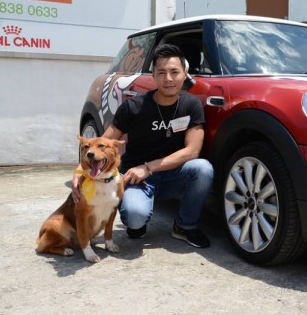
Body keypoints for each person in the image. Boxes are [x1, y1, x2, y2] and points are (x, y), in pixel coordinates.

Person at [72, 44, 214, 248]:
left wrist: (148, 167)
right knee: (135, 218)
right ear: (153, 76)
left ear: (185, 74)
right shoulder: (134, 107)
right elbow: (102, 143)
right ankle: (137, 217)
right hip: (135, 178)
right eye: (161, 73)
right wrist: (80, 170)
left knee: (203, 168)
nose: (168, 78)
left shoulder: (191, 105)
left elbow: (192, 151)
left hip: (171, 174)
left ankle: (185, 226)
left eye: (174, 72)